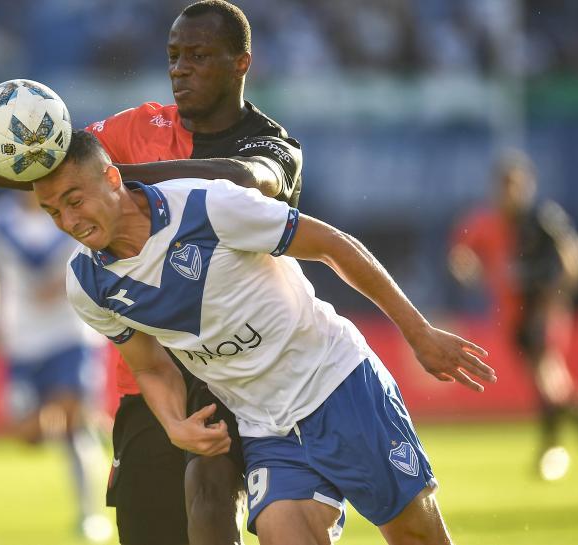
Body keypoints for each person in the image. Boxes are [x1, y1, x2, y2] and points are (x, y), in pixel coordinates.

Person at [0, 2, 301, 543]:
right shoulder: (138, 127)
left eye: (198, 56)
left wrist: (111, 178)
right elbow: (32, 169)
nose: (180, 68)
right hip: (153, 376)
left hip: (245, 371)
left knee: (216, 498)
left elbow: (247, 180)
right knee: (147, 528)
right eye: (173, 56)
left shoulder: (271, 143)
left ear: (241, 62)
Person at [35, 129, 495, 545]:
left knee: (416, 536)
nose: (69, 221)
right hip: (264, 425)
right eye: (53, 211)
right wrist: (174, 423)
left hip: (338, 384)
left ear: (112, 178)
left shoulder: (206, 206)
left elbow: (333, 246)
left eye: (75, 200)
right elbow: (150, 366)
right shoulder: (87, 284)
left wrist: (417, 331)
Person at [448, 150, 578, 480]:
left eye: (516, 184)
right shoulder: (485, 221)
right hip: (510, 317)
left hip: (540, 311)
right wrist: (468, 269)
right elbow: (462, 254)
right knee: (548, 384)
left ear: (528, 184)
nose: (510, 192)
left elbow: (574, 259)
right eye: (505, 185)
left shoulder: (543, 218)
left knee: (546, 378)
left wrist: (554, 298)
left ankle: (551, 449)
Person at [0, 190, 112, 541]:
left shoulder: (70, 212)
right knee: (30, 434)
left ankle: (89, 515)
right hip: (22, 339)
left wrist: (64, 285)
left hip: (71, 333)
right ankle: (102, 428)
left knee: (71, 422)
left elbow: (102, 258)